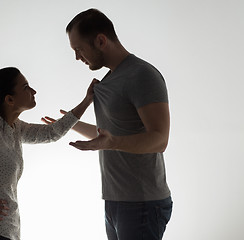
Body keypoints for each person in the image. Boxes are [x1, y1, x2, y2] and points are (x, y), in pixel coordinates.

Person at [47, 8, 173, 240]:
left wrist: (112, 143)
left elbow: (159, 139)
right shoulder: (109, 79)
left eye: (79, 49)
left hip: (142, 203)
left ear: (101, 40)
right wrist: (69, 124)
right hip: (115, 201)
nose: (77, 57)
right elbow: (109, 134)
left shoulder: (142, 75)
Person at [0, 67, 97, 240]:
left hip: (7, 232)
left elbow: (52, 132)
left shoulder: (15, 128)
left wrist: (87, 100)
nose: (33, 91)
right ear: (9, 99)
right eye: (26, 87)